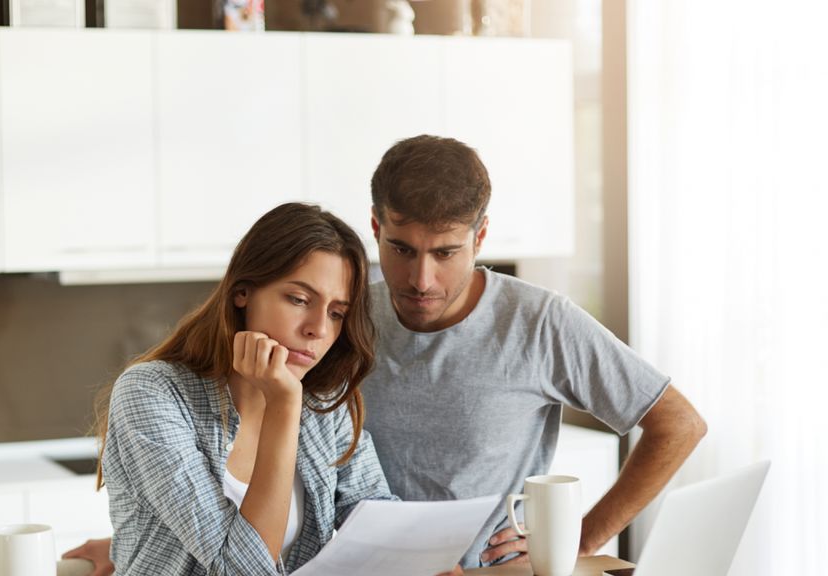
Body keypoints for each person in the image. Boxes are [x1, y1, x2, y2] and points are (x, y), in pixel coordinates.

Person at [66, 136, 707, 572]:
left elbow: (374, 513)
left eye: (446, 252)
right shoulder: (189, 391)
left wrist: (569, 542)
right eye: (402, 249)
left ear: (480, 237)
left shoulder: (327, 391)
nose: (421, 279)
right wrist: (142, 533)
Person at [87, 202, 460, 576]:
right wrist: (283, 406)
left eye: (336, 313)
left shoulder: (324, 400)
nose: (319, 329)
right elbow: (239, 568)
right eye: (299, 300)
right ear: (243, 292)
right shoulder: (152, 394)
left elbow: (371, 515)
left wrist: (428, 556)